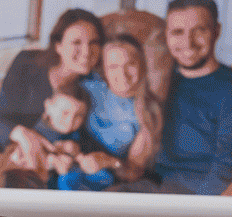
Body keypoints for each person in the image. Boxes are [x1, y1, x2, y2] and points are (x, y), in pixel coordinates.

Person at [117, 0, 232, 195]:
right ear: (166, 34)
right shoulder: (160, 81)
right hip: (145, 185)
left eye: (199, 30)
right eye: (177, 32)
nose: (188, 42)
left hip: (189, 197)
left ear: (216, 31)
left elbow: (222, 175)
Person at [0, 8, 105, 185]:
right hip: (5, 151)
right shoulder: (27, 63)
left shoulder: (92, 87)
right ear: (58, 45)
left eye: (94, 42)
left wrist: (72, 152)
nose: (87, 51)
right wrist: (25, 136)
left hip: (52, 168)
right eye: (77, 42)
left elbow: (88, 140)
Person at [58, 34, 163, 191]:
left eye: (131, 64)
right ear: (103, 69)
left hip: (109, 176)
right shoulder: (87, 88)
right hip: (67, 159)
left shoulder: (149, 110)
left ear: (142, 64)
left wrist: (108, 161)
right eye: (113, 66)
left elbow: (133, 171)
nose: (122, 74)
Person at [0, 81, 90, 188]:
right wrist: (52, 161)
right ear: (48, 106)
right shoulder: (33, 129)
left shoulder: (76, 136)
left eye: (79, 116)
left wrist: (72, 161)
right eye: (65, 113)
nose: (70, 121)